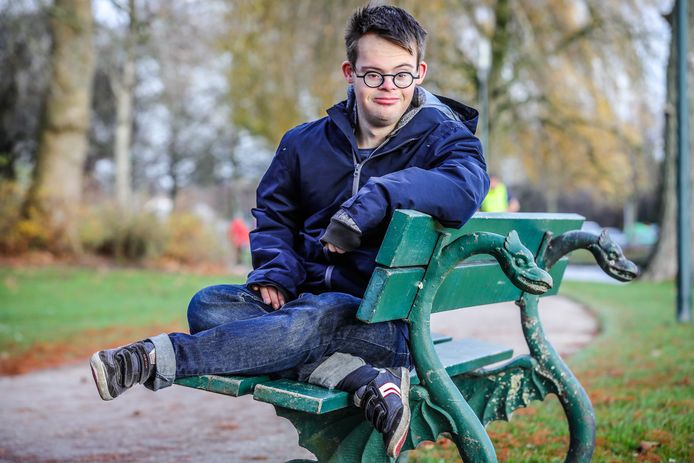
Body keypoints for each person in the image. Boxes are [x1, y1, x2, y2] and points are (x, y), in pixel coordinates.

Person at [89, 5, 488, 458]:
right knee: (210, 306)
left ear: (419, 73)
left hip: (378, 321)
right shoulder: (303, 142)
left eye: (400, 75)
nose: (387, 88)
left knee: (311, 319)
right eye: (373, 75)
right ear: (349, 72)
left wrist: (378, 197)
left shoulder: (447, 140)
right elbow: (275, 215)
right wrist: (276, 271)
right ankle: (354, 376)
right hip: (300, 303)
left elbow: (465, 186)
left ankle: (156, 358)